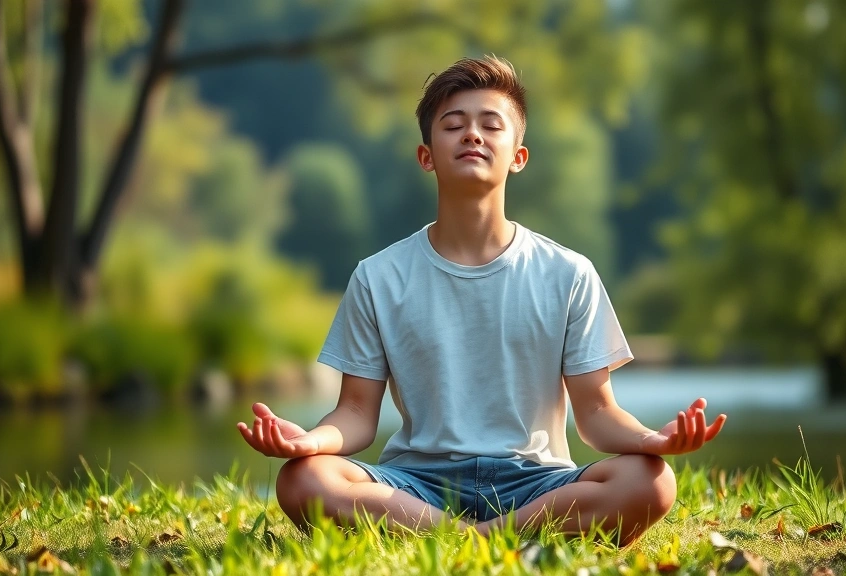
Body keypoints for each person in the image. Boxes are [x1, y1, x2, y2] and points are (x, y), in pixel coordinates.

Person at [237, 55, 726, 545]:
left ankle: (462, 538)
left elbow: (597, 414)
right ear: (426, 156)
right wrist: (307, 441)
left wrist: (652, 441)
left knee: (651, 480)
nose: (472, 134)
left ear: (518, 156)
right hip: (415, 484)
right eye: (453, 125)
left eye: (491, 125)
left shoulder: (569, 273)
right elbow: (357, 414)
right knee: (304, 479)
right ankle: (490, 538)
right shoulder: (377, 276)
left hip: (536, 483)